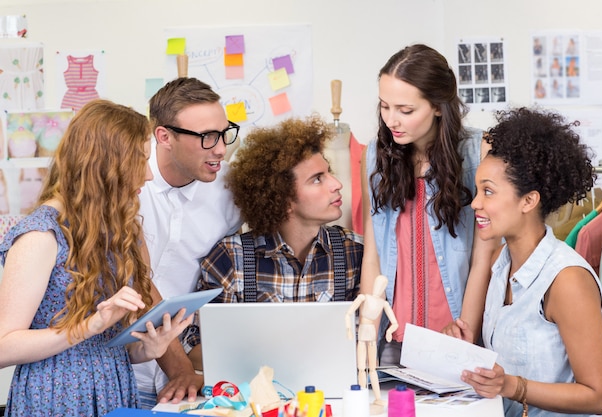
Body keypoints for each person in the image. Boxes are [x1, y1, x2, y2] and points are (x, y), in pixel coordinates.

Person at [0, 100, 194, 416]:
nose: (147, 175)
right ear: (105, 163)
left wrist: (148, 348)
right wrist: (92, 324)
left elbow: (107, 347)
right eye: (140, 160)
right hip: (54, 399)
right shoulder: (41, 235)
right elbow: (4, 346)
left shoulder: (116, 232)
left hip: (114, 392)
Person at [455, 107, 602, 417]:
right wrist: (461, 351)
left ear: (529, 200)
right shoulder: (501, 262)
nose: (475, 203)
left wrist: (513, 387)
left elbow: (599, 397)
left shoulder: (566, 280)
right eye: (477, 191)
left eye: (488, 191)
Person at [183, 115, 363, 369]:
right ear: (283, 199)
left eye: (329, 173)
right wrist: (265, 357)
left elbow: (367, 345)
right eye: (317, 179)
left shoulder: (355, 252)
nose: (337, 184)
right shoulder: (231, 258)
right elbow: (192, 344)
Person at [361, 44, 498, 366]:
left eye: (405, 110)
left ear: (438, 107)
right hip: (395, 335)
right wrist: (368, 326)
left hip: (457, 331)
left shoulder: (479, 152)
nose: (392, 120)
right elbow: (373, 252)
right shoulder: (375, 155)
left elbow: (486, 254)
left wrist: (466, 330)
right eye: (384, 106)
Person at [134, 77, 243, 408]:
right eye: (207, 137)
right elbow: (138, 279)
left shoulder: (230, 193)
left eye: (224, 133)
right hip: (126, 368)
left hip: (192, 378)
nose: (221, 148)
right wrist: (178, 369)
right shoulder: (130, 183)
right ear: (164, 137)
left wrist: (192, 371)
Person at [345, 274, 398, 412]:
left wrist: (389, 332)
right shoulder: (364, 297)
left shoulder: (383, 303)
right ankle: (363, 395)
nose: (379, 287)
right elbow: (348, 313)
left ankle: (377, 397)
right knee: (362, 367)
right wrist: (349, 329)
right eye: (378, 283)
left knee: (373, 368)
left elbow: (395, 323)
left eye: (382, 285)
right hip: (363, 331)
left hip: (371, 332)